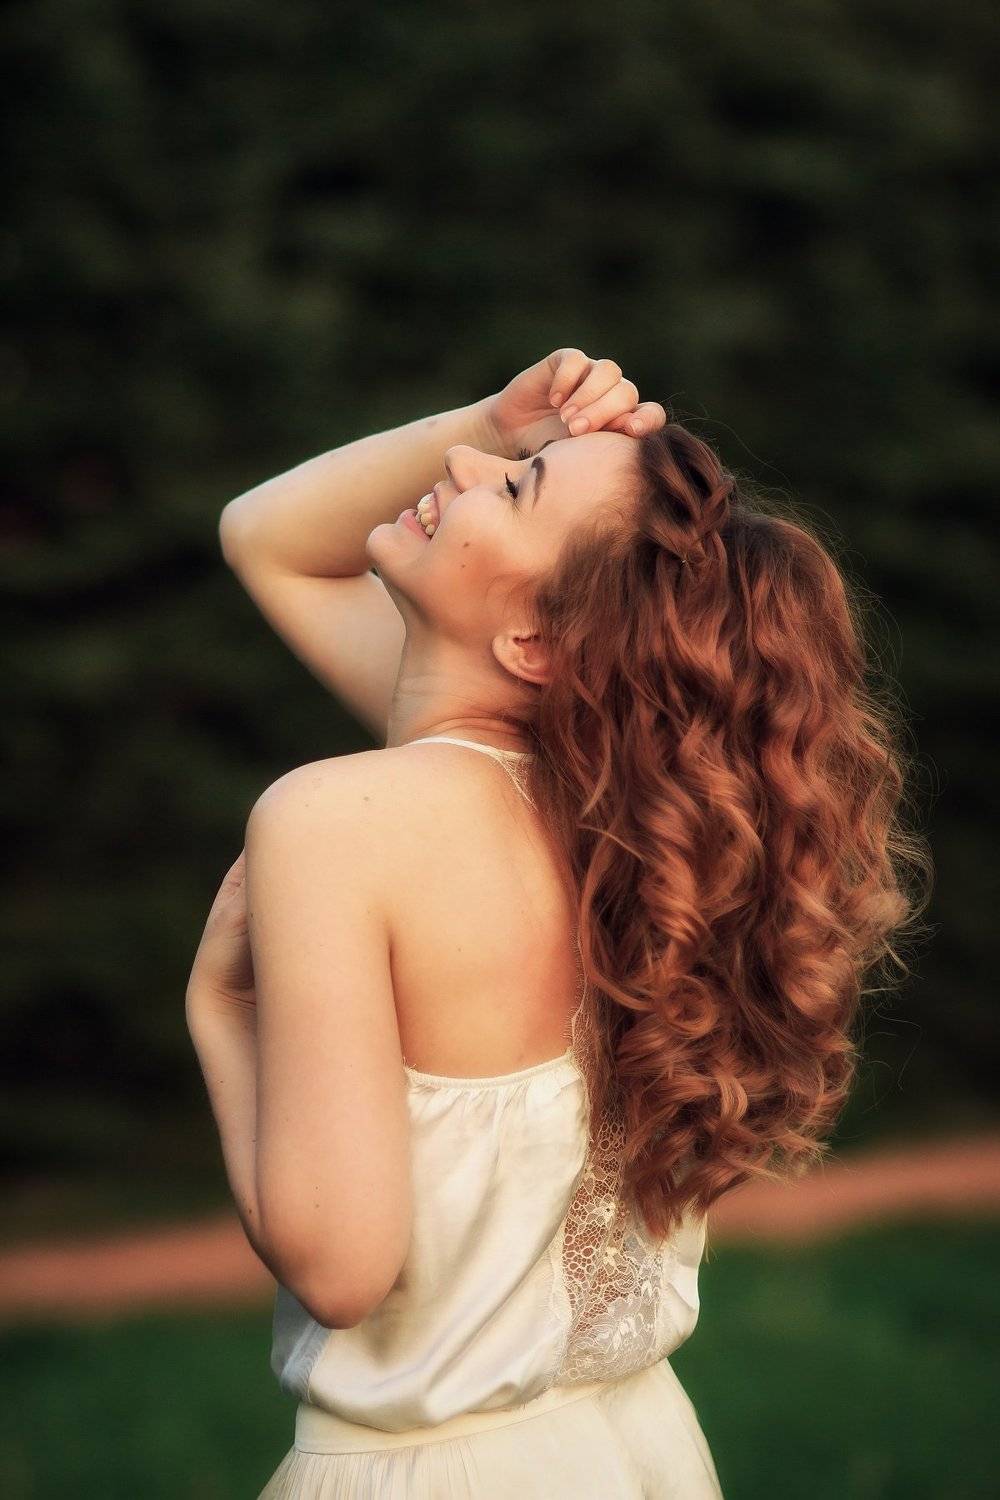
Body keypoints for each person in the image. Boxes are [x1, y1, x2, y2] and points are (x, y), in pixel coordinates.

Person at [185, 348, 930, 1498]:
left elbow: (338, 1265)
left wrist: (221, 1012)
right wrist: (501, 417)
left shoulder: (338, 822)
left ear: (533, 644)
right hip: (636, 1449)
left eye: (516, 485)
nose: (462, 464)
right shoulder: (629, 829)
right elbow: (266, 539)